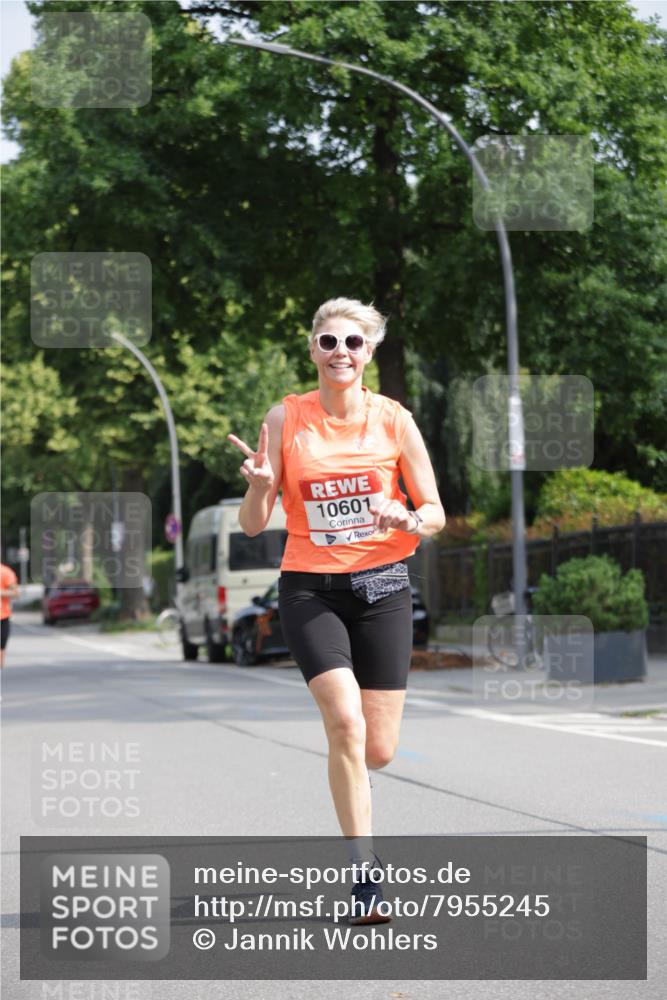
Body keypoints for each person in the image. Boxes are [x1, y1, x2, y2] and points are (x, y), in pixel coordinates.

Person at [227, 298, 446, 924]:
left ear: (369, 353)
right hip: (309, 589)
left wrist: (409, 517)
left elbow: (435, 512)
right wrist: (261, 484)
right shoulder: (286, 418)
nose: (340, 352)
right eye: (328, 341)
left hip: (382, 587)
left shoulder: (394, 420)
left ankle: (359, 782)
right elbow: (251, 526)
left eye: (353, 342)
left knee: (378, 750)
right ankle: (365, 876)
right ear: (312, 350)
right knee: (345, 726)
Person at [1, 561, 20, 668]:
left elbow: (16, 593)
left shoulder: (5, 572)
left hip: (2, 617)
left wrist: (1, 592)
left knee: (1, 650)